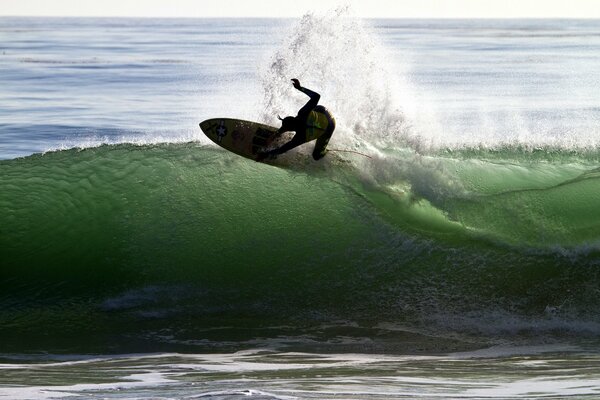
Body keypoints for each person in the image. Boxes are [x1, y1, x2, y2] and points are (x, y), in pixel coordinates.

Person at [257, 79, 336, 161]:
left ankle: (324, 150)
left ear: (293, 128)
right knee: (309, 111)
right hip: (320, 111)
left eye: (285, 128)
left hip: (329, 124)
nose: (283, 129)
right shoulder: (302, 113)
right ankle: (277, 135)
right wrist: (299, 87)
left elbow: (283, 149)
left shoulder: (300, 137)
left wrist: (266, 154)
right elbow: (316, 97)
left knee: (316, 156)